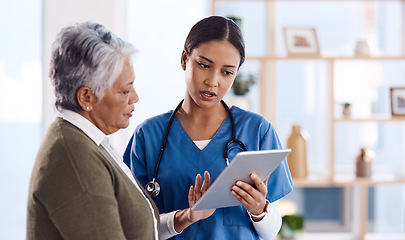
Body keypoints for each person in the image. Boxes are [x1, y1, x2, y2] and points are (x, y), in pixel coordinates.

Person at [123, 15, 294, 240]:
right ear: (184, 59)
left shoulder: (258, 131)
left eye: (227, 72)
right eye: (204, 65)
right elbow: (136, 226)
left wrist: (258, 209)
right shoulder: (147, 136)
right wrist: (184, 217)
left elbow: (272, 230)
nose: (213, 81)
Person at [27, 21, 162, 239]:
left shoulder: (88, 141)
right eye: (125, 91)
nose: (135, 98)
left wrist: (178, 221)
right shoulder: (74, 157)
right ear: (86, 97)